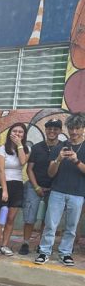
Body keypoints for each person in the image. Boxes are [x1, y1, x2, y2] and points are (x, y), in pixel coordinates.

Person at [35, 112, 85, 266]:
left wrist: (76, 161)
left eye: (77, 128)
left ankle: (65, 253)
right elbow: (50, 174)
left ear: (83, 128)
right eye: (71, 128)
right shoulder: (60, 147)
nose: (74, 132)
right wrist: (58, 160)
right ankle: (44, 251)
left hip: (77, 193)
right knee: (51, 224)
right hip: (57, 191)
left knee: (71, 227)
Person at [18, 118, 61, 255]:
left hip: (54, 189)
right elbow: (29, 169)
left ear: (60, 131)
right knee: (30, 217)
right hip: (34, 186)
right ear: (46, 130)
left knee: (47, 219)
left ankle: (42, 245)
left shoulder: (63, 148)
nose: (52, 131)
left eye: (55, 129)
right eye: (49, 128)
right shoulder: (36, 147)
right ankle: (25, 243)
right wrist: (36, 187)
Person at [0, 122, 29, 257]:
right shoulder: (1, 149)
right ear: (9, 133)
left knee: (11, 219)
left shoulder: (25, 149)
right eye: (15, 131)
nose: (17, 134)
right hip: (2, 185)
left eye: (20, 132)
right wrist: (5, 191)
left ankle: (5, 245)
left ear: (24, 135)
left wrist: (19, 144)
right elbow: (0, 170)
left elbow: (23, 162)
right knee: (1, 217)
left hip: (17, 185)